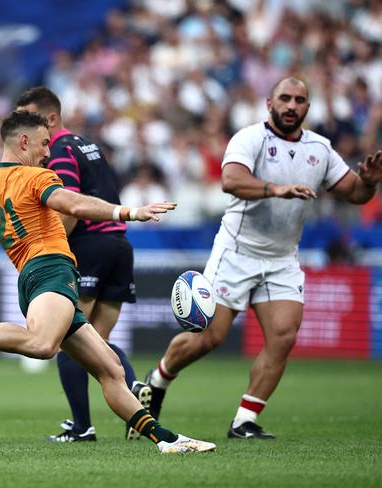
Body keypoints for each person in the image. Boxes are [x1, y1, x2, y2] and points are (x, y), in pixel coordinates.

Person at [0, 110, 216, 454]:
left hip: (34, 277)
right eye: (44, 142)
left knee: (111, 369)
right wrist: (129, 212)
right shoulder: (36, 177)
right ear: (23, 141)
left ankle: (167, 441)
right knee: (43, 345)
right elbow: (74, 204)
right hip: (52, 269)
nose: (48, 151)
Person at [144, 77, 382, 439]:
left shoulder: (319, 148)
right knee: (209, 337)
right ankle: (157, 380)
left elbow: (354, 193)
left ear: (307, 106)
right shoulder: (250, 138)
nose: (291, 105)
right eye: (284, 98)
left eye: (299, 100)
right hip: (237, 251)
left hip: (282, 258)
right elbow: (231, 180)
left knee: (284, 335)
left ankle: (244, 421)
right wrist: (276, 189)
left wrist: (368, 183)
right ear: (269, 103)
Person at [15, 87, 150, 443]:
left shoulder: (57, 150)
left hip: (89, 246)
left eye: (31, 119)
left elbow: (69, 208)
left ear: (52, 118)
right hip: (120, 246)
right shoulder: (86, 144)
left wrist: (43, 248)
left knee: (67, 336)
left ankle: (81, 427)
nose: (24, 130)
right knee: (98, 340)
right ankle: (136, 388)